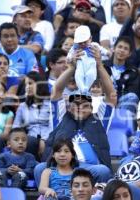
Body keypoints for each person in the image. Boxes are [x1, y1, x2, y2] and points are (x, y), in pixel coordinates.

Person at [34, 44, 117, 185]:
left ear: (92, 108)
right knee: (40, 168)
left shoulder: (99, 119)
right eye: (76, 106)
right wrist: (71, 67)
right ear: (69, 108)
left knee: (103, 170)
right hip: (60, 167)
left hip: (89, 169)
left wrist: (99, 65)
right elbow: (57, 91)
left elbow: (111, 96)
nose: (80, 109)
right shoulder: (60, 117)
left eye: (85, 106)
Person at [13, 71, 51, 158]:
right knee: (29, 141)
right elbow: (16, 127)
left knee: (50, 145)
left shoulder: (51, 104)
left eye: (30, 83)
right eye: (26, 85)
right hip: (30, 139)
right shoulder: (23, 106)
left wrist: (43, 139)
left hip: (49, 138)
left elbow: (53, 126)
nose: (27, 87)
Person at [118, 0, 140, 88]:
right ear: (135, 24)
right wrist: (134, 6)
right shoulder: (126, 35)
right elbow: (129, 20)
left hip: (133, 81)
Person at [67, 25, 110, 94]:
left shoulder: (94, 45)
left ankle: (86, 87)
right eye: (80, 43)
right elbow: (69, 56)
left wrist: (108, 53)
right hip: (80, 65)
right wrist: (70, 58)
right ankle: (82, 88)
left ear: (90, 38)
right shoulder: (75, 48)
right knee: (78, 75)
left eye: (85, 41)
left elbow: (102, 50)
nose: (83, 44)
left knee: (91, 74)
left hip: (91, 64)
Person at [104, 36, 139, 112]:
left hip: (121, 102)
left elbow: (131, 91)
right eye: (120, 47)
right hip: (103, 99)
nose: (122, 50)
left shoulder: (132, 71)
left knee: (132, 97)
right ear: (113, 49)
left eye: (126, 49)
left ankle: (120, 122)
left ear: (129, 54)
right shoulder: (103, 66)